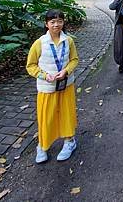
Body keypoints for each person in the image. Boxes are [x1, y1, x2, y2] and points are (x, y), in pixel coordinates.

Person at [26, 9, 79, 163]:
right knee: (46, 117)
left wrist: (66, 71)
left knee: (66, 114)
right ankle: (42, 146)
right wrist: (44, 75)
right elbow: (31, 66)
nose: (57, 25)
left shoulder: (68, 40)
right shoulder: (39, 43)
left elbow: (74, 59)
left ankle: (70, 141)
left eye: (60, 21)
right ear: (46, 24)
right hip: (46, 87)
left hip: (65, 85)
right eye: (53, 22)